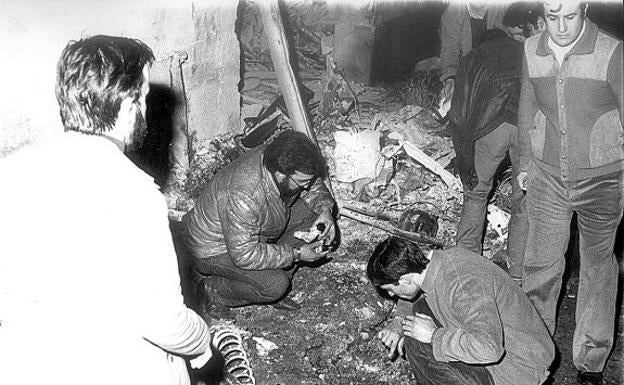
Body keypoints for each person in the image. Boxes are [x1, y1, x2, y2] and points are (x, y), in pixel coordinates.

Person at [0, 35, 214, 385]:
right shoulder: (134, 193)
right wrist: (202, 341)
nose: (145, 109)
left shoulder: (10, 170)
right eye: (143, 97)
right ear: (129, 105)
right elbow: (164, 322)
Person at [517, 1, 623, 384]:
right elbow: (526, 109)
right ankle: (532, 353)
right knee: (540, 266)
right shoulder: (531, 49)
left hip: (604, 179)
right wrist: (523, 164)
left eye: (569, 16)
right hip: (547, 176)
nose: (560, 26)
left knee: (597, 267)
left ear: (584, 9)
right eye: (551, 17)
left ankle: (590, 362)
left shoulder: (611, 51)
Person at [183, 130, 337, 316]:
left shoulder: (278, 156)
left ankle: (275, 273)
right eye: (302, 182)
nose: (306, 186)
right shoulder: (243, 195)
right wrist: (296, 254)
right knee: (274, 285)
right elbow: (244, 254)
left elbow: (311, 183)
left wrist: (325, 211)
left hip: (251, 228)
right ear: (281, 175)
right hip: (213, 249)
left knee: (314, 220)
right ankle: (211, 290)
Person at [367, 237, 554, 385]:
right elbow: (414, 297)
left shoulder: (463, 285)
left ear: (406, 279)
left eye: (390, 289)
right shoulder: (436, 264)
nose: (391, 295)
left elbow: (489, 349)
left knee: (420, 338)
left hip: (518, 365)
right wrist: (400, 320)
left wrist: (434, 336)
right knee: (414, 323)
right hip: (500, 344)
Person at [450, 3, 546, 282]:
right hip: (526, 127)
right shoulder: (528, 51)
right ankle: (517, 274)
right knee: (522, 201)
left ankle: (468, 264)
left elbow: (459, 115)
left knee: (476, 193)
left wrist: (465, 162)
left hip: (490, 127)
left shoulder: (473, 58)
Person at [439, 1, 508, 103]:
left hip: (499, 72)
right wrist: (450, 78)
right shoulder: (452, 12)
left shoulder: (502, 8)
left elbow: (511, 41)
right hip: (469, 72)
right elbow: (449, 50)